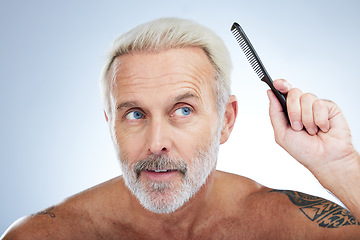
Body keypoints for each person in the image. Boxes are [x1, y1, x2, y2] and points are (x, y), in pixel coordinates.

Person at [2, 17, 360, 239]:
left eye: (183, 110)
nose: (157, 143)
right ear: (110, 126)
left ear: (226, 120)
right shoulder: (45, 236)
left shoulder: (292, 229)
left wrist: (341, 168)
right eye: (135, 114)